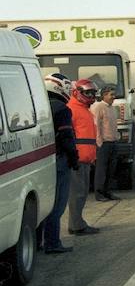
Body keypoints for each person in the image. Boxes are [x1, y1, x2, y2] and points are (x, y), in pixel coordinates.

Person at [42, 73, 78, 254]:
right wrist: (74, 158)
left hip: (42, 159)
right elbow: (66, 137)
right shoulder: (62, 109)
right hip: (59, 159)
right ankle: (52, 242)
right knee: (57, 203)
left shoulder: (39, 104)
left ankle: (40, 241)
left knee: (43, 202)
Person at [67, 79, 100, 235]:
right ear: (76, 92)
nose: (91, 96)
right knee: (77, 194)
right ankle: (77, 226)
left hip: (86, 158)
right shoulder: (72, 110)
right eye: (88, 93)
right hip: (78, 160)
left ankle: (76, 223)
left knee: (81, 193)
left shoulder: (85, 110)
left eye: (93, 93)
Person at [91, 85, 121, 201]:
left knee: (111, 169)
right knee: (101, 170)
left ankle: (107, 192)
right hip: (103, 143)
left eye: (114, 94)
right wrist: (99, 142)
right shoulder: (99, 107)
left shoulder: (112, 108)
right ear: (104, 95)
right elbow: (96, 125)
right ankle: (99, 194)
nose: (114, 97)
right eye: (111, 95)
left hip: (113, 142)